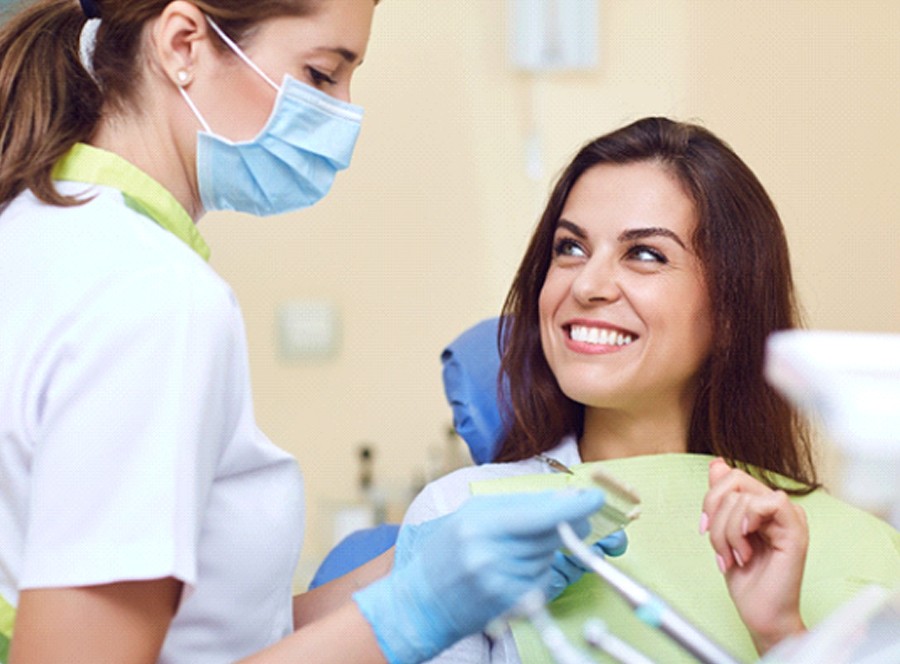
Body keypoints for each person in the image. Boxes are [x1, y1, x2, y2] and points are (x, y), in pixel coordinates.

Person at [0, 1, 626, 662]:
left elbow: (208, 637)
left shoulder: (39, 236)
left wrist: (412, 569)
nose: (345, 117)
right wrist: (415, 612)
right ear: (184, 44)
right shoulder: (156, 297)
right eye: (323, 75)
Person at [403, 117, 900, 663]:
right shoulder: (462, 518)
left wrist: (780, 634)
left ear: (730, 311)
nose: (587, 285)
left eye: (644, 254)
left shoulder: (865, 547)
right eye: (570, 247)